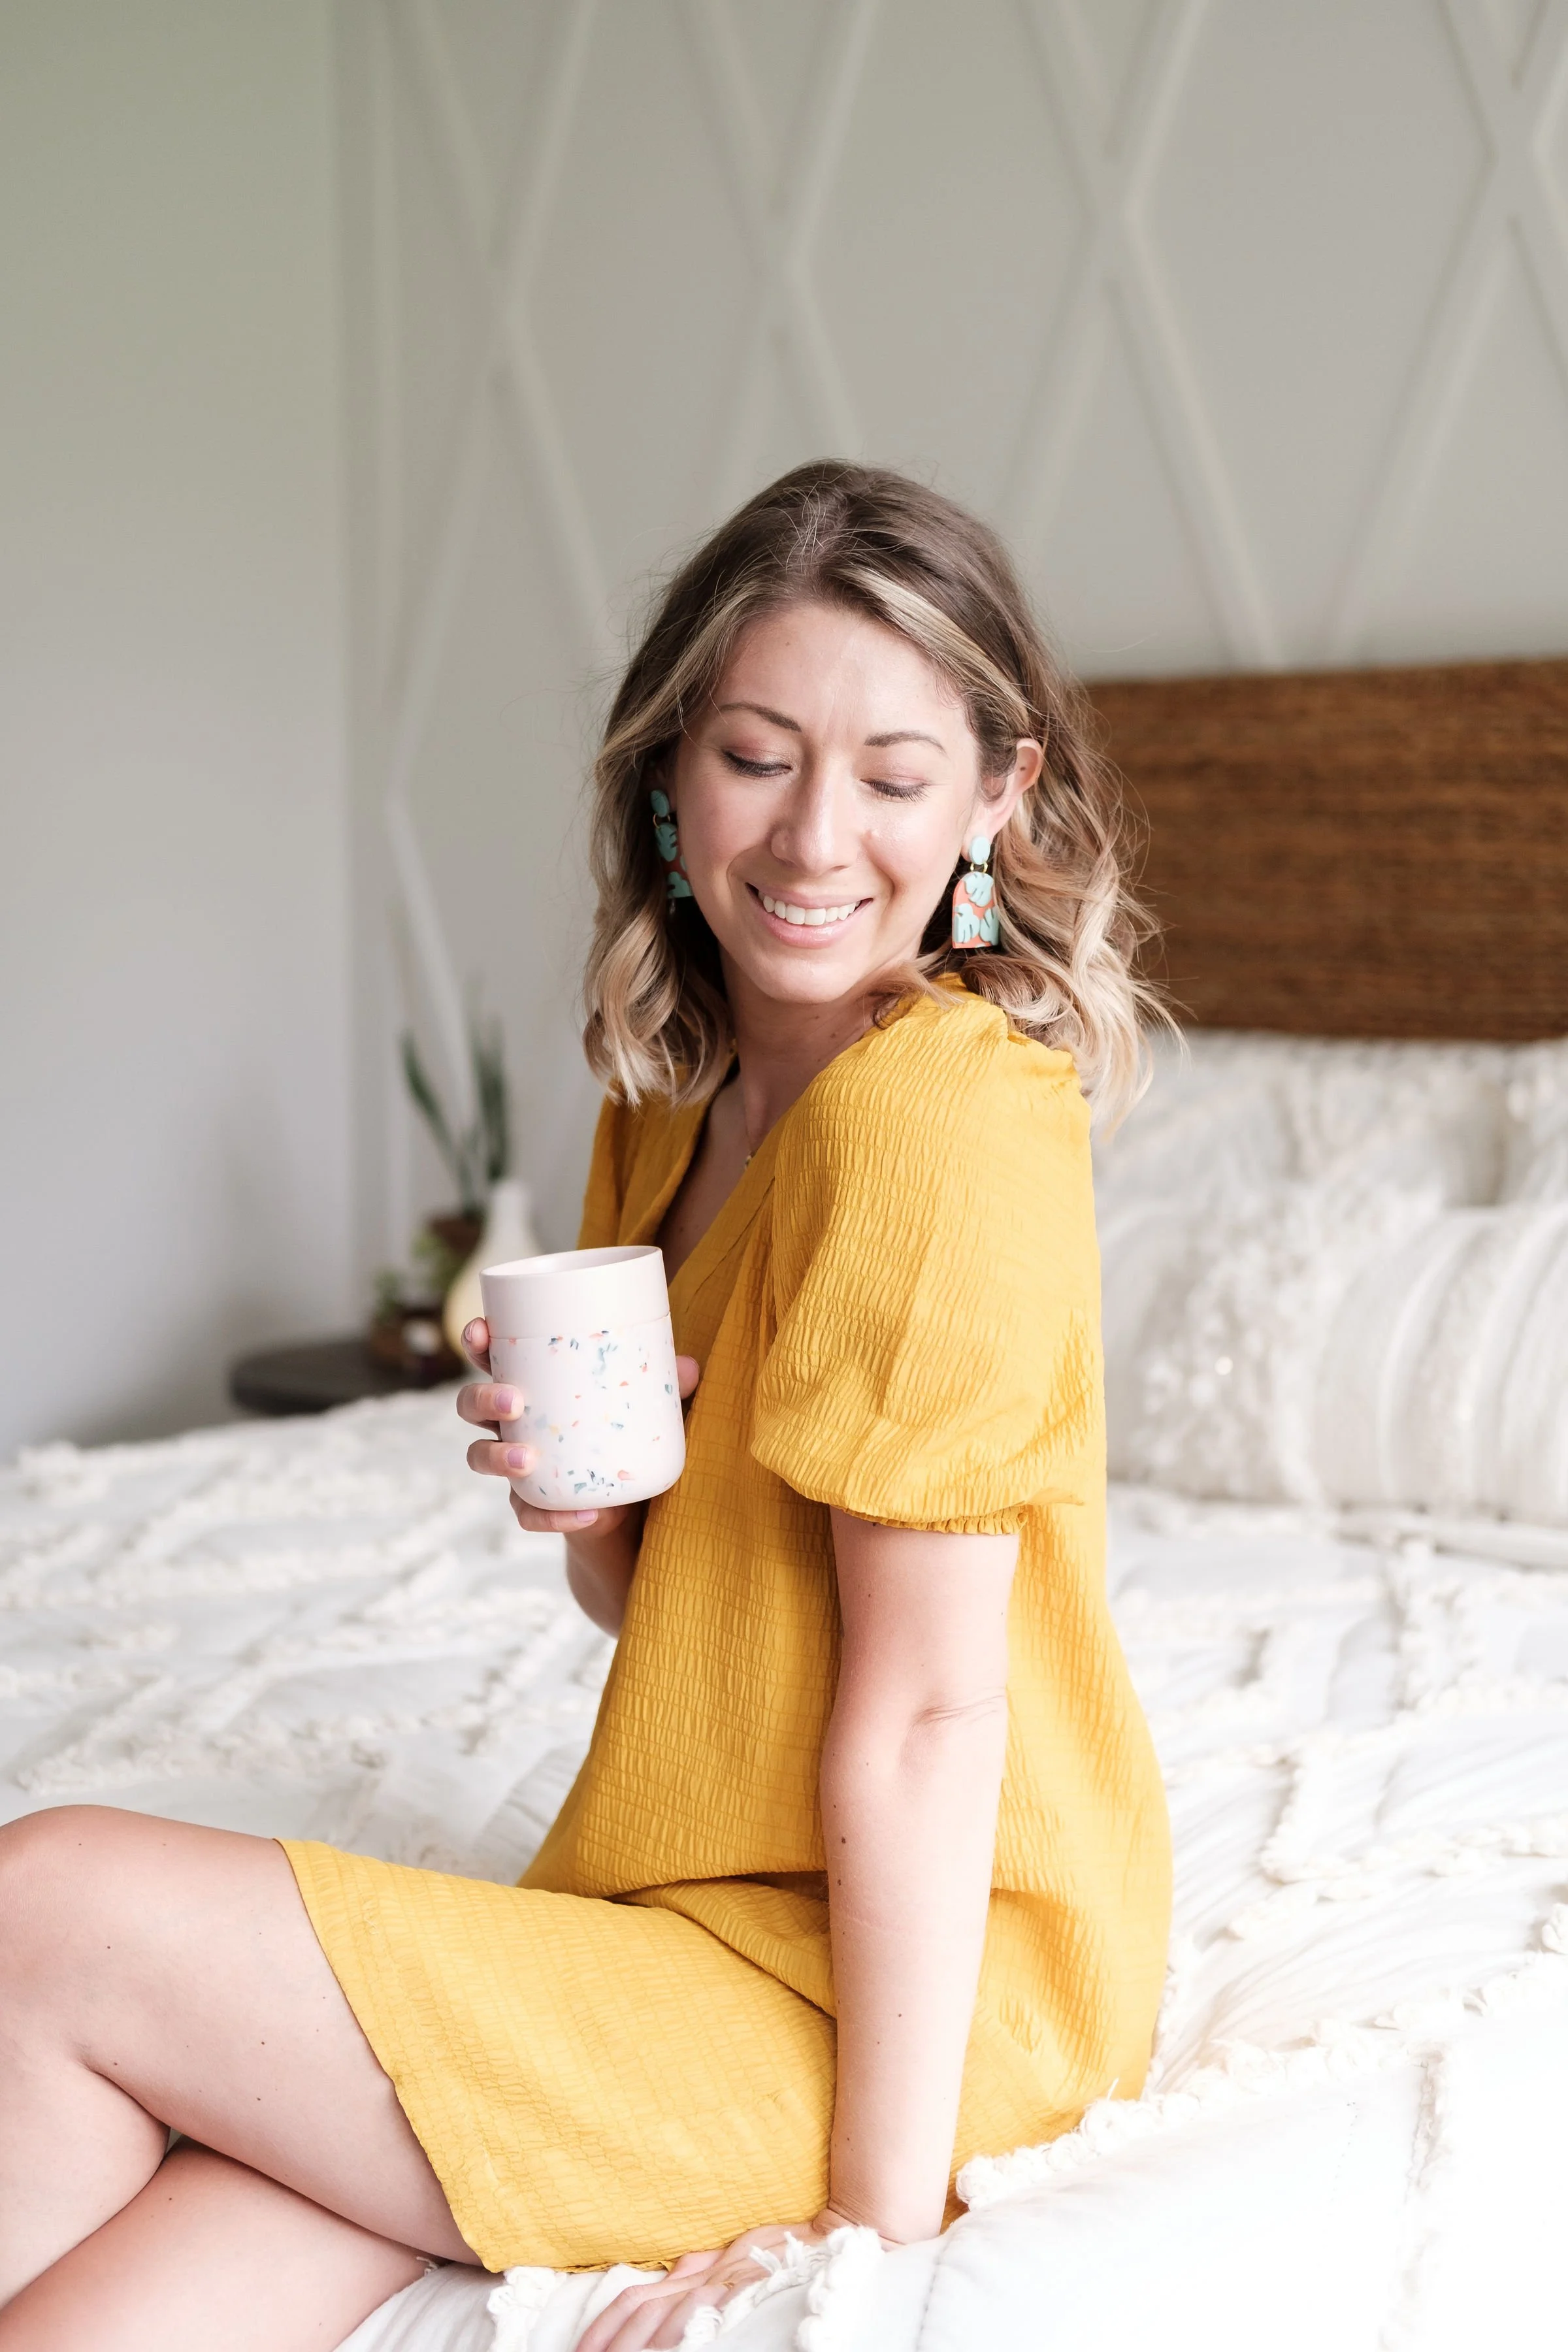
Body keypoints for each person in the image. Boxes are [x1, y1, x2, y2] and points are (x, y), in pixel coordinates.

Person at [0, 463, 1171, 2352]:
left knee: (41, 1909)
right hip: (670, 1911)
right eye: (757, 754)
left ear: (995, 800)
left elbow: (939, 1715)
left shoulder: (946, 1113)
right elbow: (677, 1625)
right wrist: (600, 1521)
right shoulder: (670, 1095)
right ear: (665, 773)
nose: (814, 836)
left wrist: (863, 2240)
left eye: (891, 773)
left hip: (924, 1999)